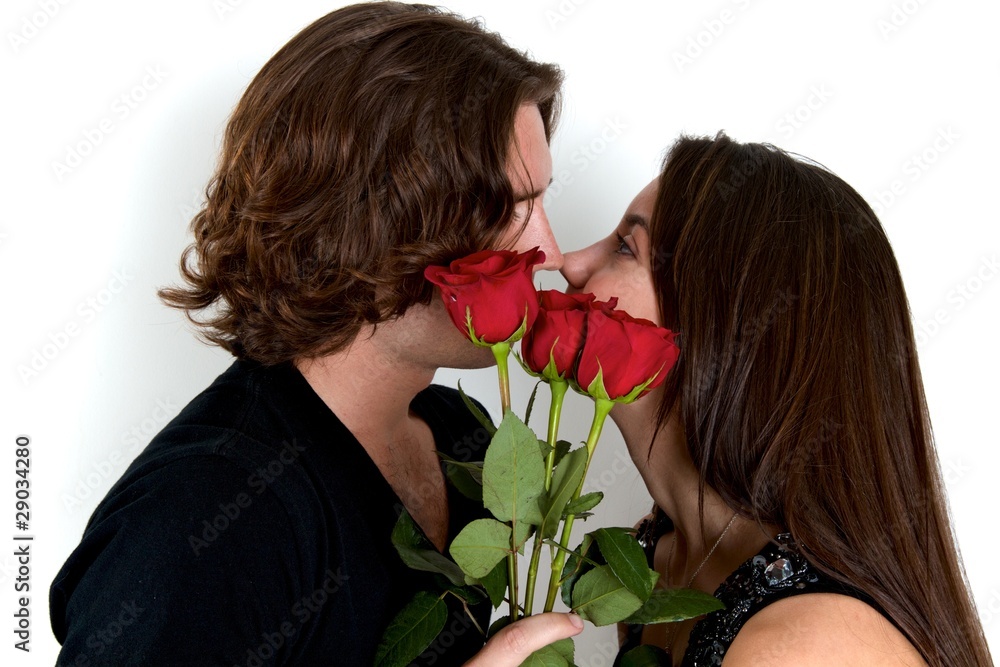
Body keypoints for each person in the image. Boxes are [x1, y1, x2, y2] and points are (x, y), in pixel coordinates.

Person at [49, 3, 582, 665]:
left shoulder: (460, 436)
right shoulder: (207, 513)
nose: (550, 251)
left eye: (541, 201)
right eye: (510, 208)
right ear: (372, 223)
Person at [561, 132, 993, 666]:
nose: (571, 263)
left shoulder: (799, 648)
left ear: (722, 325)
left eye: (626, 247)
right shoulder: (656, 560)